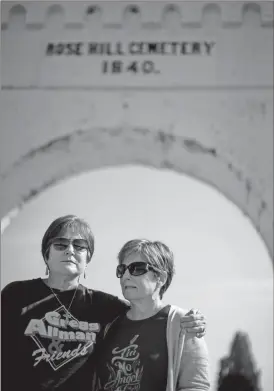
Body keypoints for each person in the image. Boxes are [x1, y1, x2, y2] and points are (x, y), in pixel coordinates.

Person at [1, 215, 207, 391]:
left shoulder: (105, 306)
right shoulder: (16, 294)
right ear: (47, 253)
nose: (70, 250)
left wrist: (192, 321)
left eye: (79, 246)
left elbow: (147, 311)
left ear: (88, 258)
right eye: (60, 244)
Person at [93, 239, 210, 391]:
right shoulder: (109, 325)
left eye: (137, 268)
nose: (126, 276)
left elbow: (196, 386)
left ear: (160, 278)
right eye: (122, 269)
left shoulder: (183, 323)